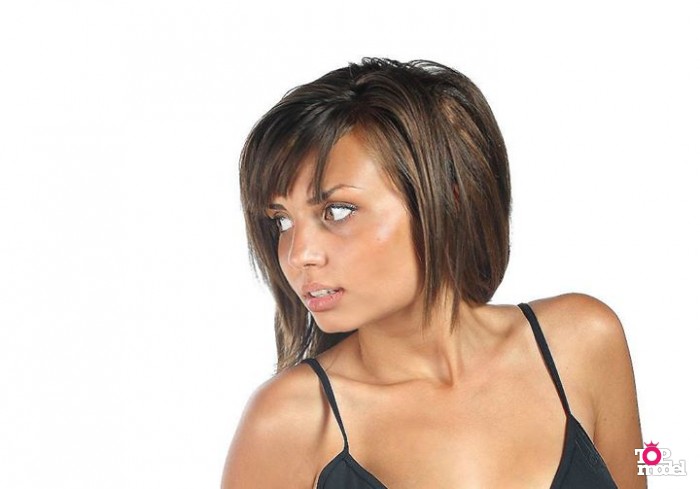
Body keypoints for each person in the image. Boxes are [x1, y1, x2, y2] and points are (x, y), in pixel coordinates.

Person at [222, 58, 645, 488]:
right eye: (282, 220)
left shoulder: (583, 343)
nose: (298, 255)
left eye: (338, 211)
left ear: (448, 200)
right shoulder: (288, 423)